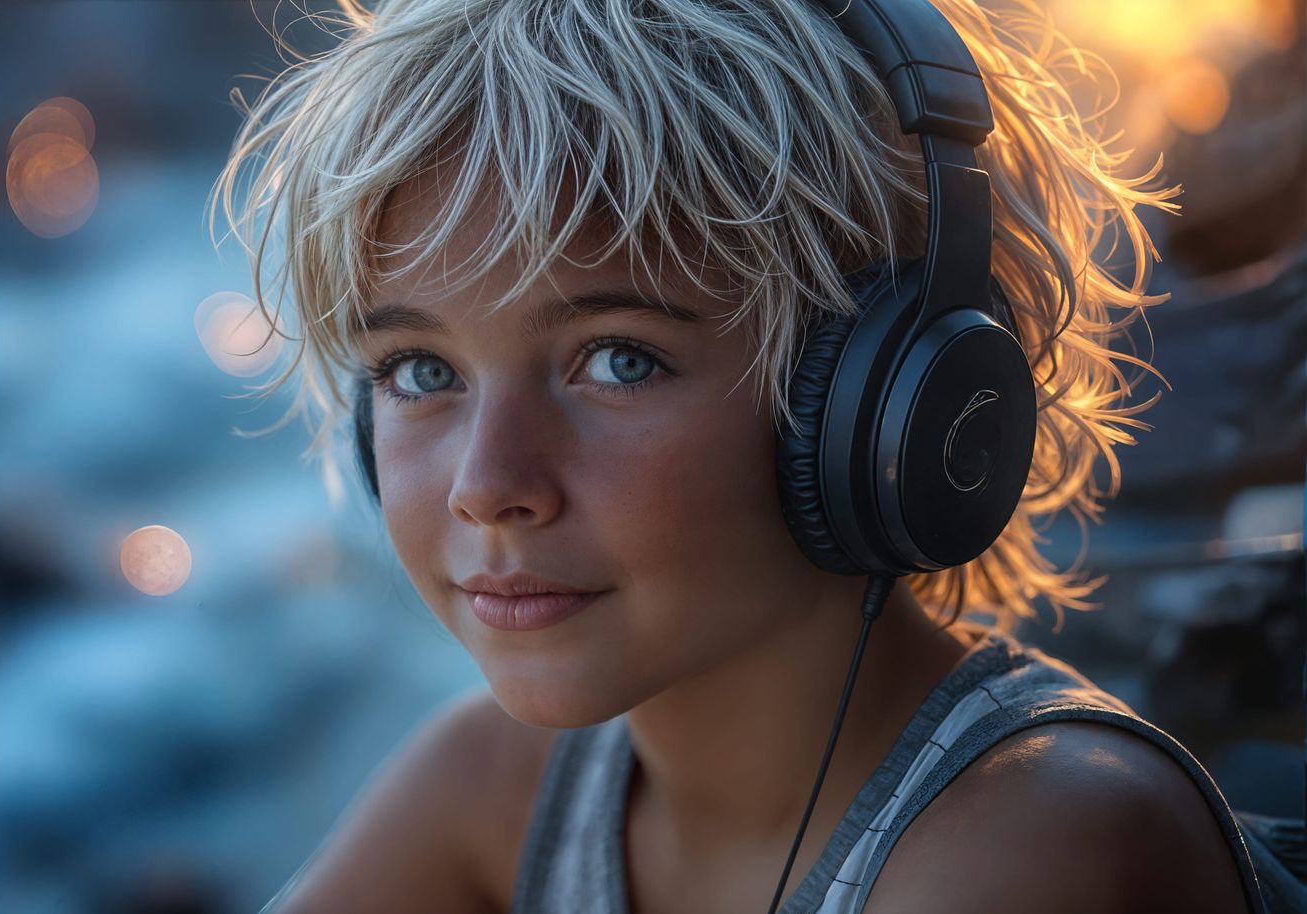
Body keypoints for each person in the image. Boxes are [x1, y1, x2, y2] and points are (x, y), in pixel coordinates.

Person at [207, 0, 1268, 910]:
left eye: (616, 359)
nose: (488, 487)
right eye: (419, 371)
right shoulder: (499, 784)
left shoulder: (1047, 836)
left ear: (884, 402)